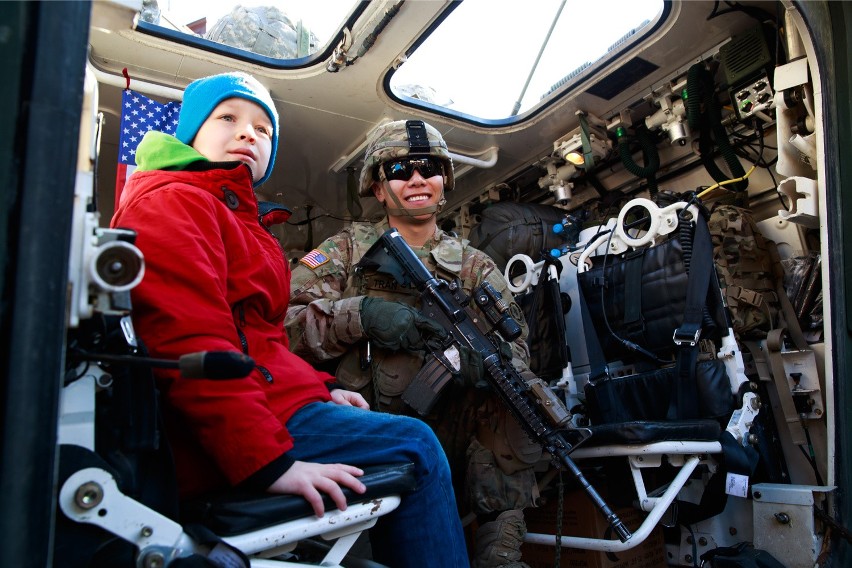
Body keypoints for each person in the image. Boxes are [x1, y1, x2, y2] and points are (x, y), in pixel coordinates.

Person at [110, 73, 468, 568]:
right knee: (416, 445)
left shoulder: (238, 219)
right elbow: (194, 344)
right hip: (236, 427)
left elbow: (261, 343)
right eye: (227, 118)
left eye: (263, 129)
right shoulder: (179, 202)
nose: (247, 134)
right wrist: (266, 460)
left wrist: (320, 390)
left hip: (278, 404)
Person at [286, 119, 542, 568]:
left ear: (444, 182)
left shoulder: (475, 266)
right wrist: (361, 315)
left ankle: (500, 554)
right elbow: (285, 330)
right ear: (380, 188)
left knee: (517, 400)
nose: (417, 179)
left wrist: (482, 364)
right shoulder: (342, 252)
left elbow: (517, 350)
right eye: (401, 169)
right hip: (365, 416)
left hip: (450, 423)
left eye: (429, 168)